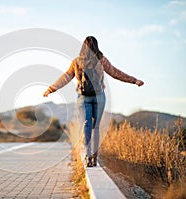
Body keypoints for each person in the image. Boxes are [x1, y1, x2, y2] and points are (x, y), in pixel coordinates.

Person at [43, 36, 144, 167]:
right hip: (99, 96)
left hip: (83, 97)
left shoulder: (77, 62)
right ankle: (94, 157)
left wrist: (51, 89)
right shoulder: (101, 60)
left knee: (86, 125)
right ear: (96, 46)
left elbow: (66, 77)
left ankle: (87, 154)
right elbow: (116, 73)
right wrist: (134, 80)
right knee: (95, 127)